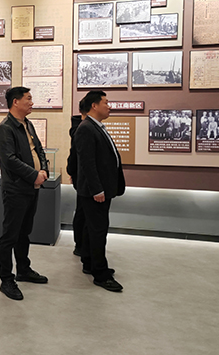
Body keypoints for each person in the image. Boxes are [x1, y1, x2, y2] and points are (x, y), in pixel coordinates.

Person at [0, 86, 49, 301]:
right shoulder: (5, 128)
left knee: (24, 232)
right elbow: (9, 160)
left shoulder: (28, 124)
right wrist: (34, 174)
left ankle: (23, 269)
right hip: (16, 189)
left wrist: (44, 170)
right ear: (15, 102)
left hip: (31, 187)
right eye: (28, 98)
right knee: (10, 235)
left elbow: (39, 150)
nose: (32, 102)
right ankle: (6, 279)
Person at [74, 90, 125, 292]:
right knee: (98, 230)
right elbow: (87, 163)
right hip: (95, 191)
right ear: (94, 106)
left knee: (91, 228)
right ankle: (100, 274)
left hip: (101, 189)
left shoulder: (96, 127)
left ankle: (89, 262)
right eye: (106, 102)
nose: (109, 106)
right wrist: (97, 189)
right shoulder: (86, 129)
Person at [66, 98, 86, 257]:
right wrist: (73, 172)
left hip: (82, 177)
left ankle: (82, 244)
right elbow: (75, 155)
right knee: (82, 212)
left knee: (83, 212)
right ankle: (80, 245)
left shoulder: (84, 127)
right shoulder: (81, 129)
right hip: (84, 178)